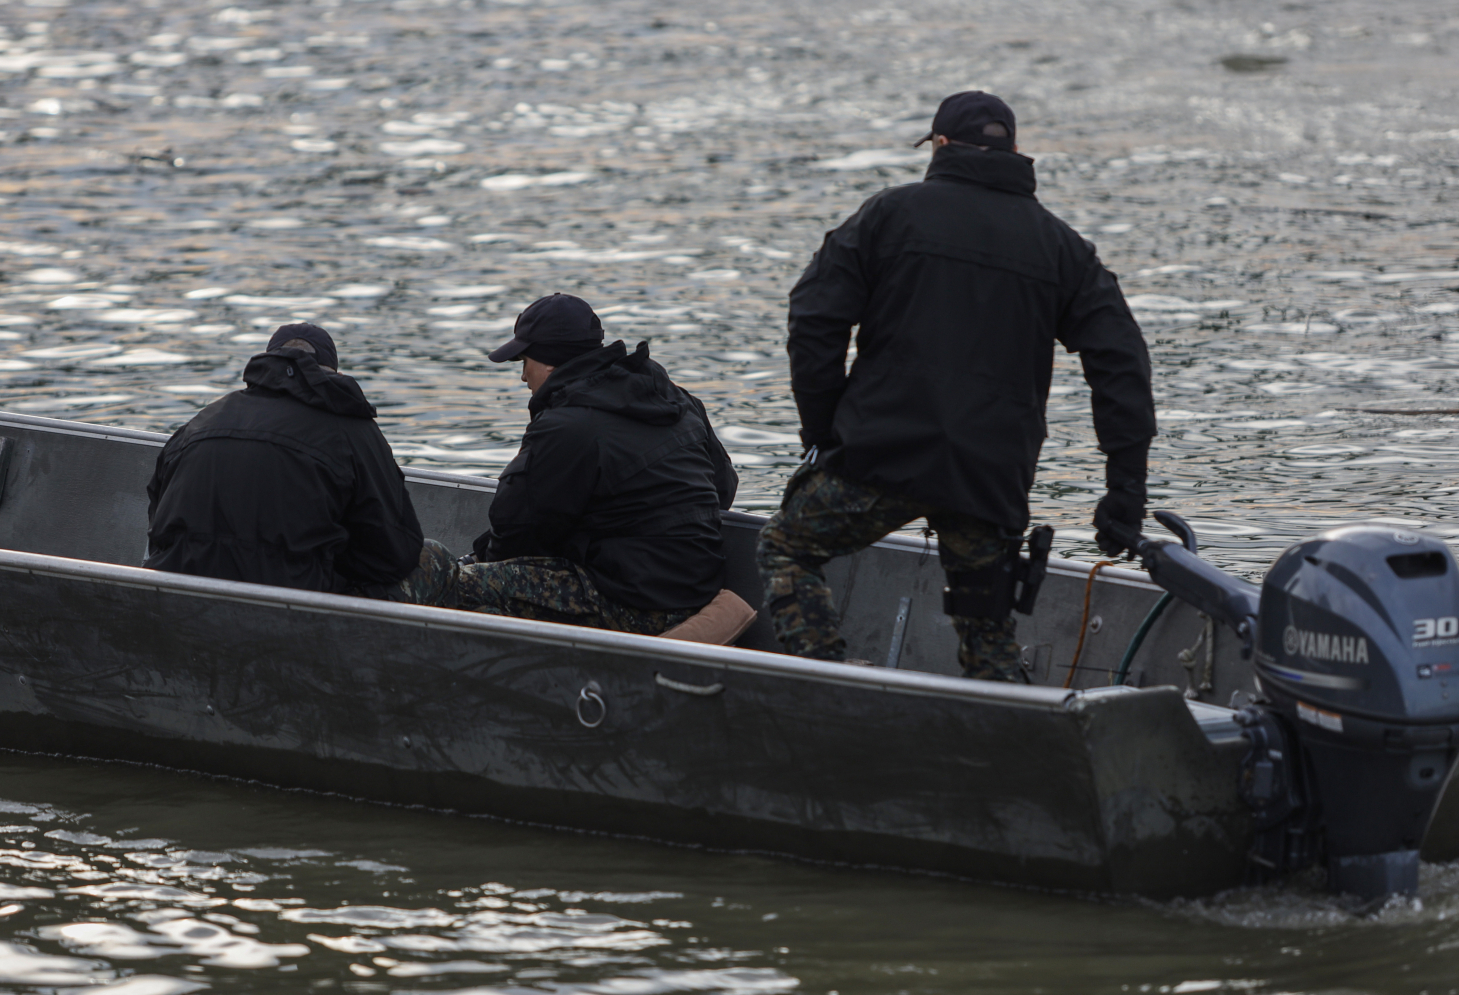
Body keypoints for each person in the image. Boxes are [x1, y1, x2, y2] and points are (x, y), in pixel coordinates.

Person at [757, 91, 1156, 680]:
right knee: (986, 627)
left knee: (785, 549)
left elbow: (813, 320)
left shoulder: (889, 215)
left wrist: (823, 431)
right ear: (1017, 151)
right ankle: (1001, 733)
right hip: (989, 476)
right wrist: (1125, 493)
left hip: (876, 456)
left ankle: (828, 682)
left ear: (939, 145)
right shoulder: (1062, 247)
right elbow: (1121, 363)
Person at [461, 293, 739, 634]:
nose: (523, 377)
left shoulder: (565, 426)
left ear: (549, 362)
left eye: (523, 361)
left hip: (633, 602)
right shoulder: (675, 398)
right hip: (699, 588)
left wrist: (473, 563)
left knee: (450, 584)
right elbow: (723, 489)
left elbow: (515, 533)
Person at [145, 323, 454, 604]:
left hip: (176, 599)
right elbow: (394, 553)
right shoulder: (351, 429)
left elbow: (156, 524)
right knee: (434, 557)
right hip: (294, 611)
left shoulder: (199, 423)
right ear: (334, 374)